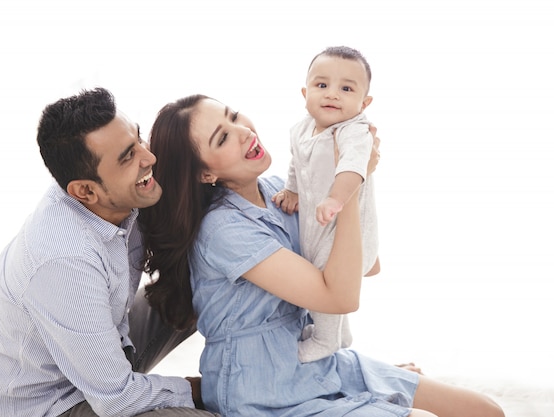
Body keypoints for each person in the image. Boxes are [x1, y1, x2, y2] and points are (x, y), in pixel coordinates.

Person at [137, 94, 505, 417]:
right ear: (205, 173)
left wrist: (350, 172)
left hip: (316, 362)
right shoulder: (222, 229)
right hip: (263, 392)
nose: (244, 132)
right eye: (223, 137)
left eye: (234, 117)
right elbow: (340, 296)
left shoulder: (279, 191)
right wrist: (348, 183)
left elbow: (367, 266)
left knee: (485, 411)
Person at [0, 88, 219, 417]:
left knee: (210, 274)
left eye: (138, 139)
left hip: (109, 348)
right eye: (127, 157)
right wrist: (215, 388)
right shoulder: (64, 259)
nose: (149, 159)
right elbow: (117, 398)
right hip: (64, 404)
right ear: (85, 191)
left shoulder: (114, 192)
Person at [272, 45, 380, 362]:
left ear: (364, 103)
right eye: (322, 85)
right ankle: (341, 333)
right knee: (316, 269)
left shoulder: (353, 131)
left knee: (326, 278)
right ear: (305, 92)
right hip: (318, 224)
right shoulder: (301, 129)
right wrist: (291, 189)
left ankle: (326, 339)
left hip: (348, 229)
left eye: (346, 88)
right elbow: (297, 162)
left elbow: (353, 168)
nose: (332, 94)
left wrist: (335, 198)